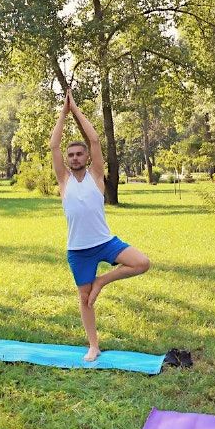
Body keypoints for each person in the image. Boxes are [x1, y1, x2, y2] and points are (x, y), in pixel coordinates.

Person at [50, 91, 150, 361]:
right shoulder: (64, 181)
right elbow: (53, 146)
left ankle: (102, 281)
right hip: (78, 250)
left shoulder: (96, 176)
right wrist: (63, 112)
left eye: (79, 154)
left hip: (105, 242)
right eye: (71, 155)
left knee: (141, 262)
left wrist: (76, 110)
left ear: (86, 157)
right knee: (85, 300)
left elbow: (94, 139)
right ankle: (93, 345)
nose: (73, 157)